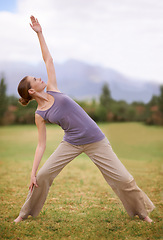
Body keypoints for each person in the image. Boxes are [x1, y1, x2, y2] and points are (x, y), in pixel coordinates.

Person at [14, 16, 155, 224]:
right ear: (32, 90)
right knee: (42, 176)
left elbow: (48, 60)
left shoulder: (53, 89)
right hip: (71, 143)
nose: (40, 77)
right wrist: (32, 172)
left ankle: (142, 213)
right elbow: (40, 145)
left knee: (123, 178)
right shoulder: (39, 115)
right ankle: (24, 213)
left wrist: (40, 33)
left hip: (96, 140)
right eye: (35, 79)